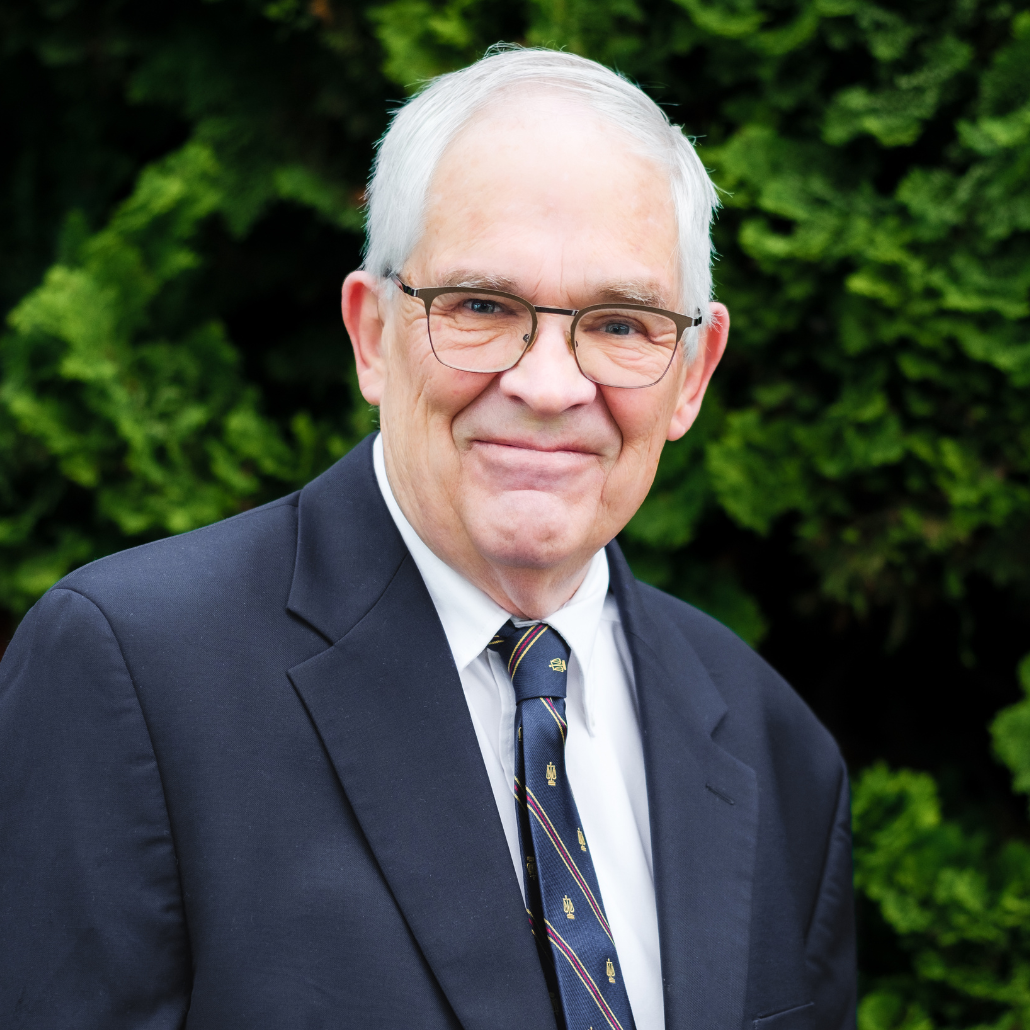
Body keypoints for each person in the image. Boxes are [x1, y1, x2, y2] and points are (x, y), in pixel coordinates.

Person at [0, 46, 855, 1030]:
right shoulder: (134, 678)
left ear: (693, 370)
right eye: (483, 307)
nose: (548, 384)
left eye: (619, 323)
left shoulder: (772, 745)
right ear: (371, 334)